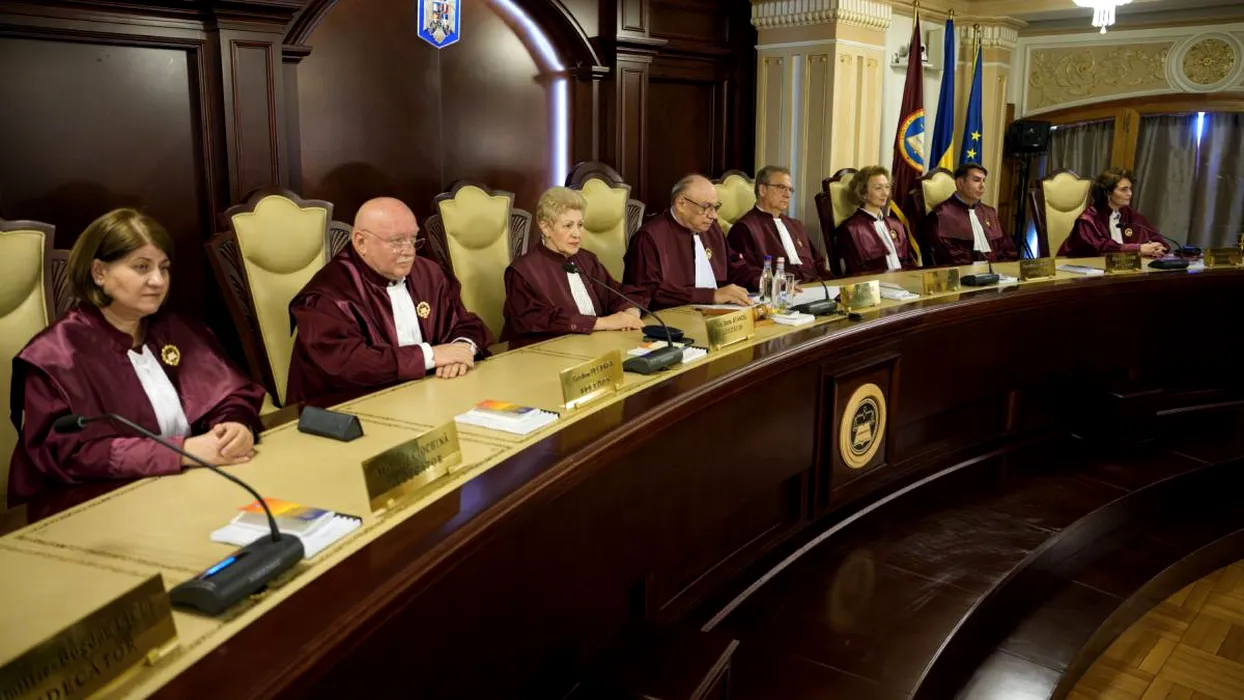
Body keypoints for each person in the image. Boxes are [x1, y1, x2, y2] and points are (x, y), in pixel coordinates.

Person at [8, 209, 265, 507]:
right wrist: (183, 451)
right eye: (142, 267)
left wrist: (235, 426)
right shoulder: (56, 355)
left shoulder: (177, 329)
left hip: (182, 489)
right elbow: (67, 454)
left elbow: (231, 395)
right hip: (88, 505)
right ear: (99, 272)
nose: (158, 281)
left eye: (163, 268)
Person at [286, 197, 491, 404]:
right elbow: (349, 364)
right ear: (361, 242)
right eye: (396, 241)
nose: (409, 251)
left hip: (428, 395)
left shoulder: (429, 273)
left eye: (413, 239)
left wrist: (462, 349)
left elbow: (465, 323)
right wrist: (431, 356)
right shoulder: (327, 297)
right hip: (344, 409)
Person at [502, 187, 645, 342]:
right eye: (568, 225)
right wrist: (602, 323)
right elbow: (536, 320)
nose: (577, 234)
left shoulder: (587, 260)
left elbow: (616, 294)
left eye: (580, 225)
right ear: (545, 227)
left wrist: (630, 311)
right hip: (543, 351)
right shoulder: (521, 272)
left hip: (594, 345)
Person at [623, 175, 757, 311]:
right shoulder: (648, 237)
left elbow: (735, 268)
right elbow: (647, 293)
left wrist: (761, 280)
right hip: (672, 317)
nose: (713, 215)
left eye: (715, 207)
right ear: (681, 203)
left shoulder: (712, 229)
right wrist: (711, 295)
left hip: (719, 313)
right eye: (706, 207)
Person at [727, 165, 830, 282]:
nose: (788, 195)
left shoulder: (796, 225)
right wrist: (778, 285)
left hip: (814, 287)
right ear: (762, 190)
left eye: (790, 190)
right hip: (778, 291)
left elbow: (818, 263)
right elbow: (744, 273)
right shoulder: (744, 228)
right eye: (782, 188)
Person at [1058, 168, 1168, 258]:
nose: (1130, 193)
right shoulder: (1089, 218)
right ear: (1108, 193)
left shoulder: (1130, 214)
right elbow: (1101, 247)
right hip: (1086, 270)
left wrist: (1156, 249)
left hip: (1125, 269)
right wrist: (1138, 248)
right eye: (1124, 189)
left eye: (1130, 189)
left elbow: (1156, 239)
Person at [926, 164, 1018, 265]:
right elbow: (946, 257)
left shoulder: (989, 212)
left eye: (984, 181)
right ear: (960, 183)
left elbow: (1008, 250)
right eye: (976, 180)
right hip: (964, 273)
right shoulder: (940, 215)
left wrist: (1003, 269)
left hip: (998, 273)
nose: (982, 186)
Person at [835, 165, 917, 276]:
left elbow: (910, 264)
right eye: (878, 188)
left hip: (905, 283)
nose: (885, 193)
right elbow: (856, 273)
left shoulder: (897, 225)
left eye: (887, 187)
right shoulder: (851, 229)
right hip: (875, 285)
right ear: (863, 193)